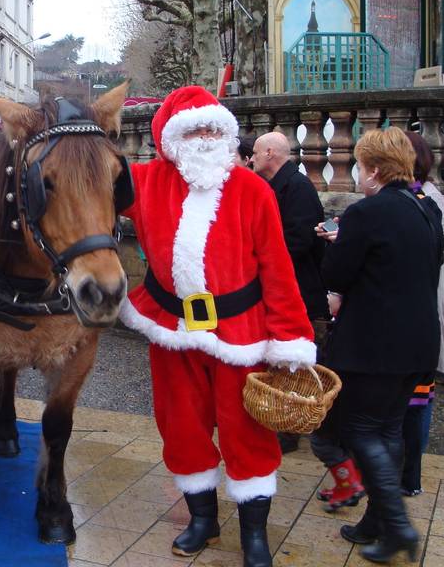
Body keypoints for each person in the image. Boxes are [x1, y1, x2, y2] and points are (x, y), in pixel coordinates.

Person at [118, 86, 316, 567]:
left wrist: (289, 338)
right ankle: (202, 519)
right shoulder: (146, 183)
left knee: (247, 433)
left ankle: (254, 536)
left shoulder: (254, 190)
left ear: (227, 136)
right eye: (193, 129)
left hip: (240, 334)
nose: (205, 137)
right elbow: (87, 173)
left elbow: (277, 268)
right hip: (172, 328)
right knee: (180, 427)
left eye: (212, 128)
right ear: (171, 138)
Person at [316, 127, 443, 563]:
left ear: (371, 169)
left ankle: (397, 524)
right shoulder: (426, 209)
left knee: (359, 429)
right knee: (388, 429)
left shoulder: (366, 213)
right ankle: (376, 521)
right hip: (419, 341)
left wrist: (339, 243)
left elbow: (335, 276)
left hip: (374, 344)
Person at [251, 132, 335, 460]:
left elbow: (299, 241)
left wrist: (258, 250)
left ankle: (292, 429)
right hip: (282, 289)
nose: (253, 158)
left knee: (295, 363)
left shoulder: (297, 188)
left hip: (299, 290)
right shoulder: (276, 185)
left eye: (257, 153)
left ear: (271, 153)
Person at [401, 131, 444, 497]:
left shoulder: (425, 202)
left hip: (426, 307)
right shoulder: (424, 198)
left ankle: (410, 474)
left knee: (418, 396)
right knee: (418, 394)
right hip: (427, 305)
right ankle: (409, 472)